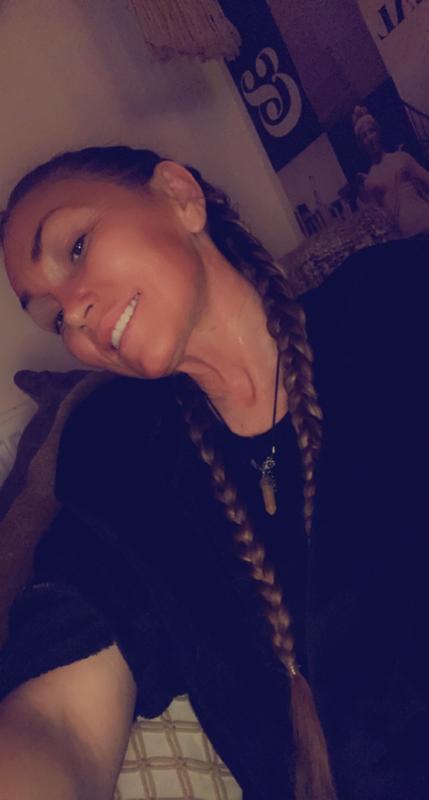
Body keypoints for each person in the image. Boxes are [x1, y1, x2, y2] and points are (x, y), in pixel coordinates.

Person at [0, 145, 428, 800]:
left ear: (179, 196)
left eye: (77, 247)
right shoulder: (121, 465)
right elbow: (59, 720)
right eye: (54, 318)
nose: (74, 314)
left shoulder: (396, 300)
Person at [353, 104, 429, 237]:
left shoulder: (402, 158)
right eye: (364, 136)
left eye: (371, 131)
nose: (370, 138)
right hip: (408, 236)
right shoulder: (370, 181)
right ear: (361, 144)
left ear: (378, 132)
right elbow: (381, 220)